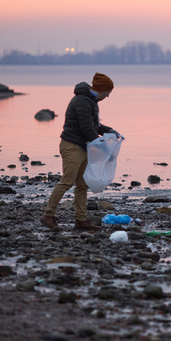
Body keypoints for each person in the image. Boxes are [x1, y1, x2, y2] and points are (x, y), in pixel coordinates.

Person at [41, 72, 120, 231]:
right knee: (67, 181)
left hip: (83, 147)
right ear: (102, 90)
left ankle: (81, 220)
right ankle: (48, 215)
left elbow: (94, 126)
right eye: (107, 93)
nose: (107, 96)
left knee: (82, 185)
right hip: (72, 145)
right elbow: (86, 128)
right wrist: (102, 147)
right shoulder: (82, 101)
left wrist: (109, 130)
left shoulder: (91, 101)